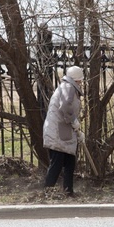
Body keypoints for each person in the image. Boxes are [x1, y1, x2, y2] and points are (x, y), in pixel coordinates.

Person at [43, 65, 84, 196]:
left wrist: (76, 130)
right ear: (76, 79)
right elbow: (65, 106)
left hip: (62, 132)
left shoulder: (69, 87)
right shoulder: (68, 87)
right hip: (58, 133)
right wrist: (73, 121)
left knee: (69, 161)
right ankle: (47, 191)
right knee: (57, 163)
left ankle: (68, 191)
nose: (81, 82)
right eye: (80, 80)